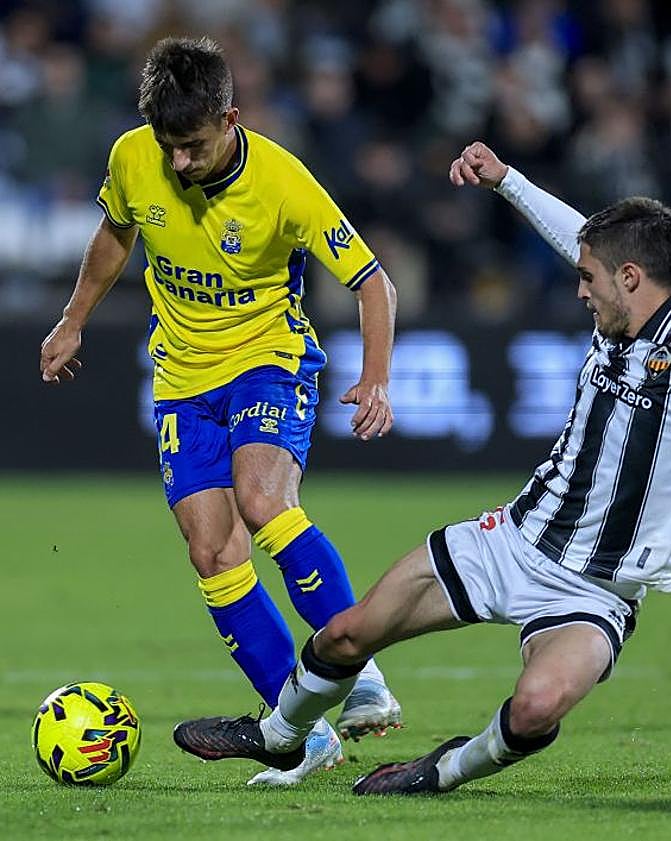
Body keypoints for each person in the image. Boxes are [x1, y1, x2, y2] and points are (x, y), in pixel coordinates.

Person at [174, 140, 671, 793]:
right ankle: (279, 736)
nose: (579, 290)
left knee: (536, 707)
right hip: (511, 542)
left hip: (597, 593)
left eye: (588, 279)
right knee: (347, 635)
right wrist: (506, 180)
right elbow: (578, 234)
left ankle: (442, 769)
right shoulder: (623, 294)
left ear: (630, 277)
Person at [39, 36, 401, 787]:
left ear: (230, 118)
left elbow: (372, 282)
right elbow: (116, 232)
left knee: (262, 498)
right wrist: (73, 318)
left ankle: (358, 667)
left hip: (268, 359)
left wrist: (375, 378)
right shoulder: (134, 156)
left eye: (193, 146)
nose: (178, 162)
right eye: (168, 146)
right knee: (212, 552)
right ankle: (304, 736)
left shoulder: (283, 182)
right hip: (180, 378)